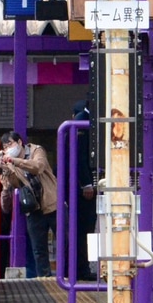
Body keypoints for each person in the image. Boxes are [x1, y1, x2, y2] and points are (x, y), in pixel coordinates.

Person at [0, 131, 57, 279]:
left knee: (65, 243)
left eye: (9, 144)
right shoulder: (11, 163)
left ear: (19, 142)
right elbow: (16, 185)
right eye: (4, 147)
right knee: (39, 249)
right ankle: (45, 279)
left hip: (53, 204)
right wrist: (5, 169)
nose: (7, 149)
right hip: (33, 208)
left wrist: (13, 161)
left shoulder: (36, 150)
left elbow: (38, 167)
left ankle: (68, 276)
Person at [70, 102, 98, 281]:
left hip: (86, 184)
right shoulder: (83, 121)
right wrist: (86, 183)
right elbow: (79, 156)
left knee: (85, 228)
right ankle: (81, 268)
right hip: (83, 188)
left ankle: (81, 267)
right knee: (83, 229)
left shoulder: (86, 120)